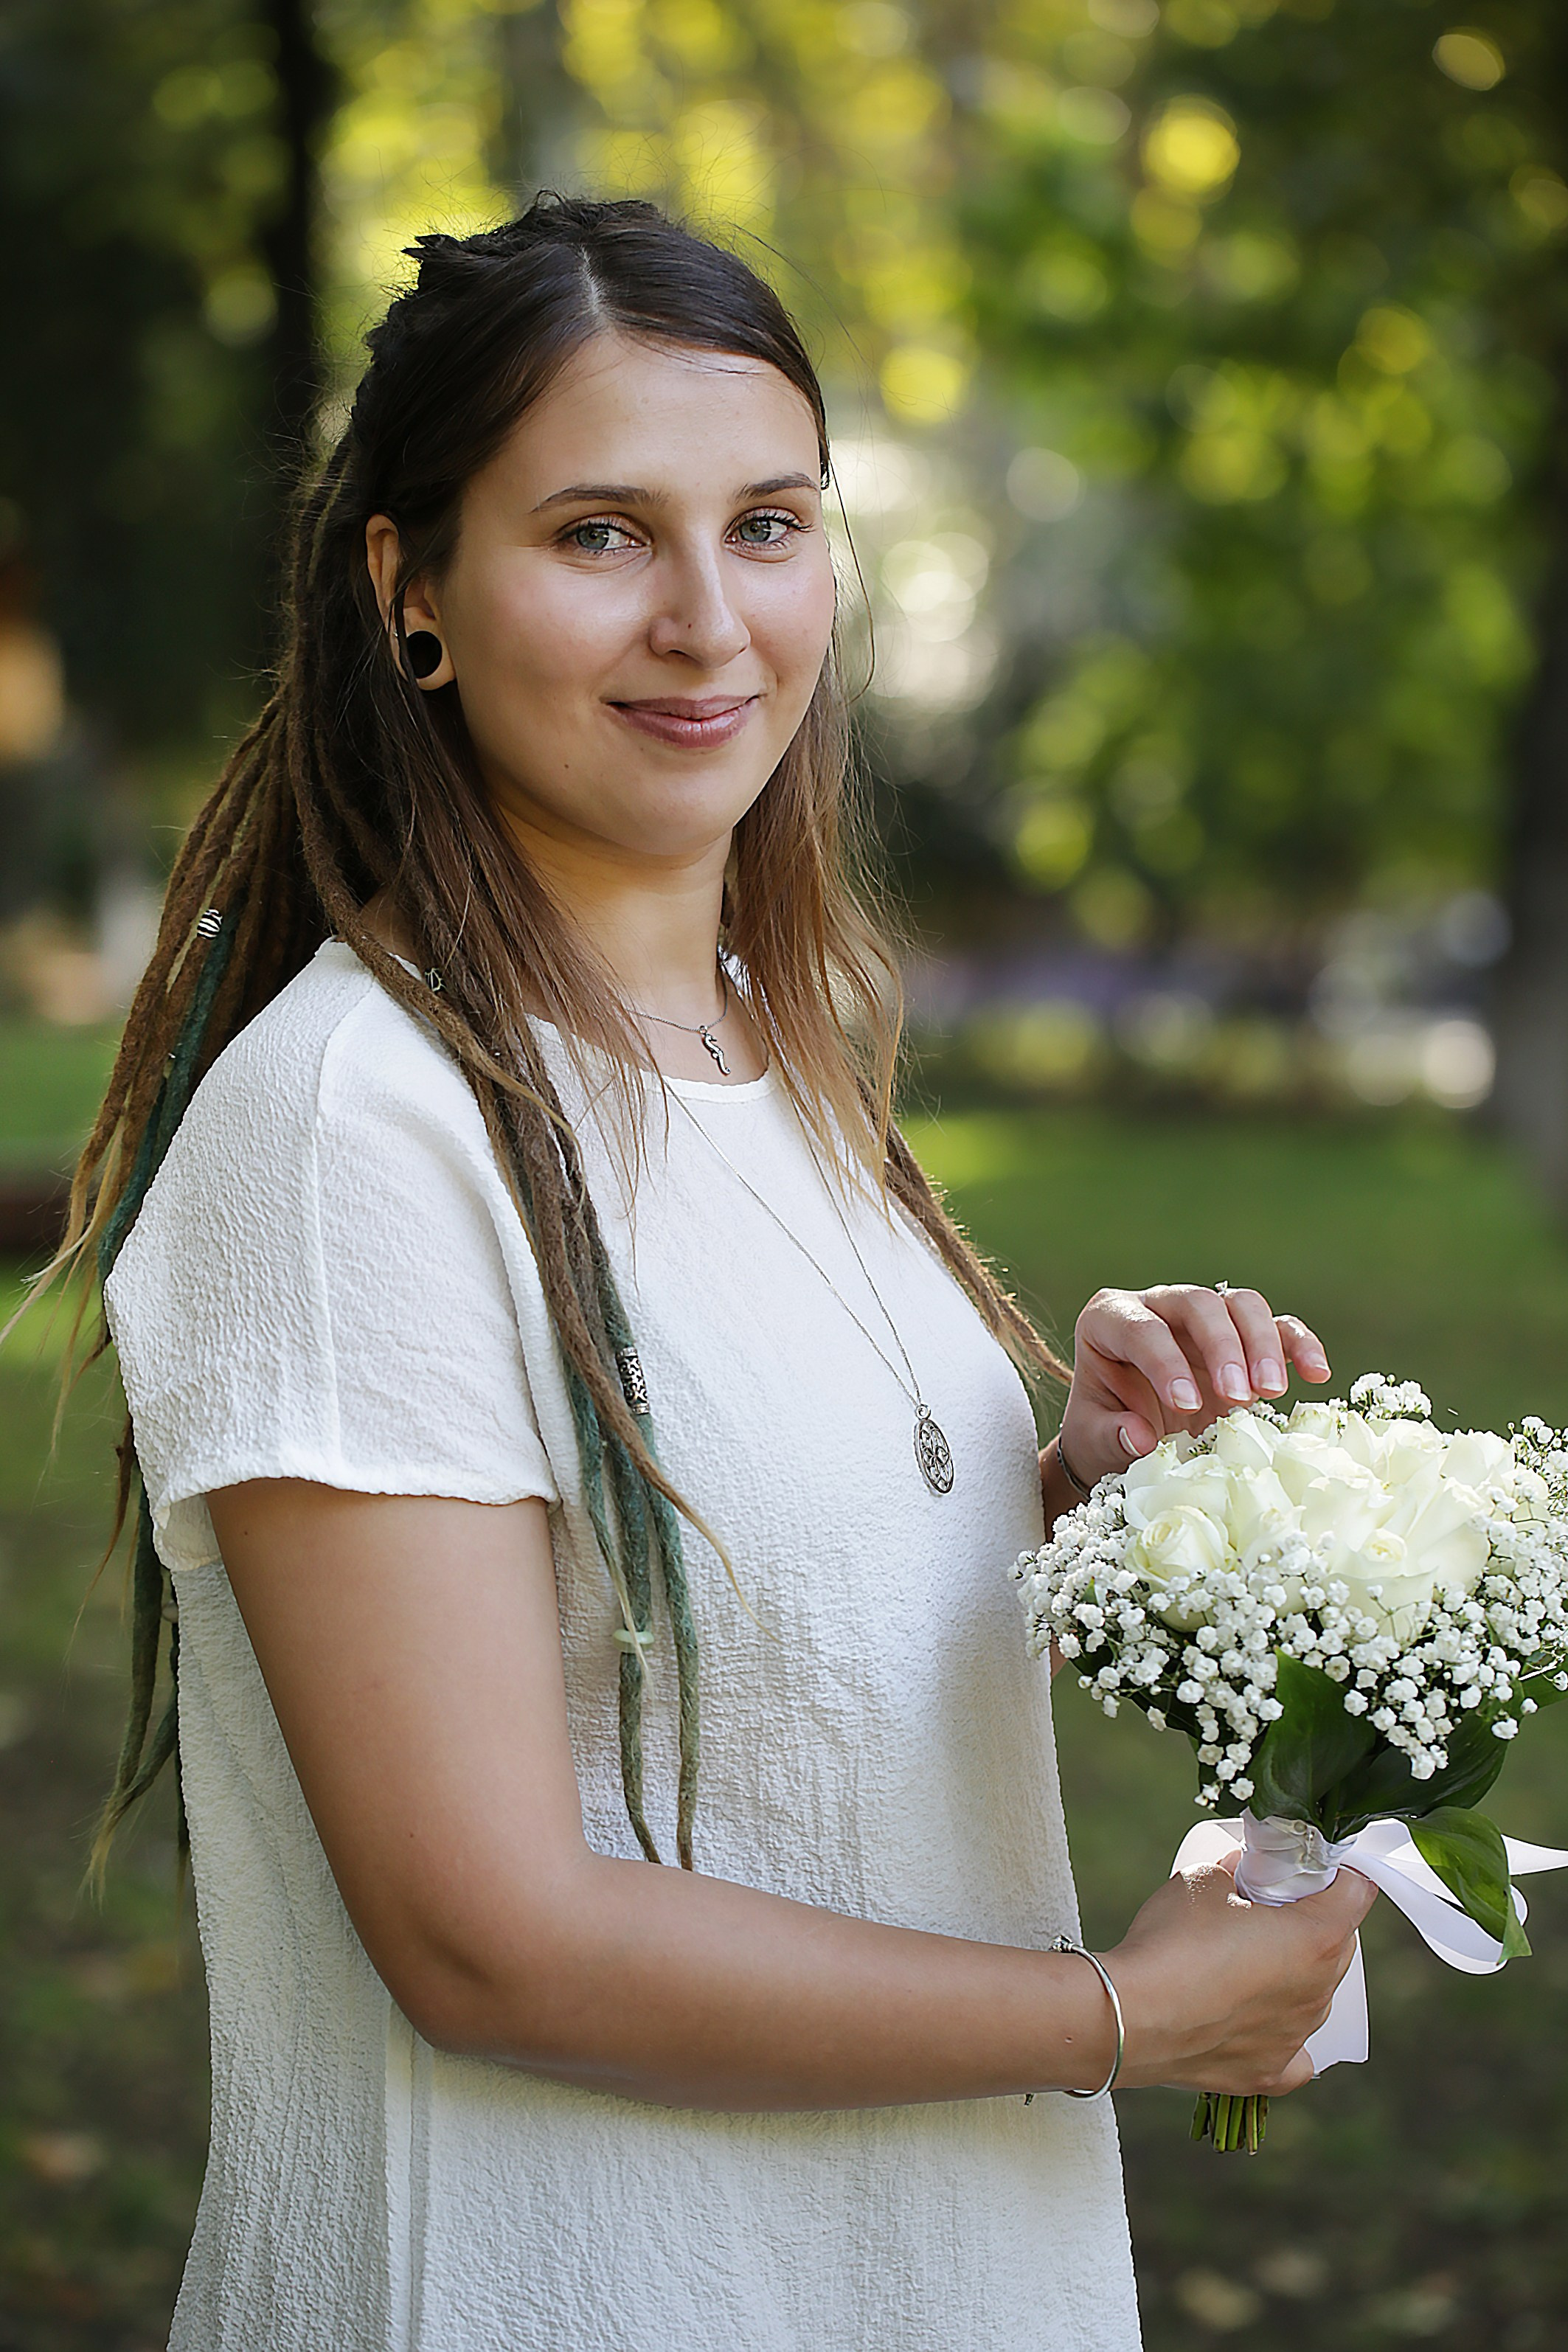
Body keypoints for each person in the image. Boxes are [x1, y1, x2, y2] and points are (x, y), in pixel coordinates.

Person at [64, 197, 1372, 2351]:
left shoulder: (777, 1040)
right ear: (413, 591)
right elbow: (489, 1935)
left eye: (768, 524)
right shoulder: (354, 1132)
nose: (708, 621)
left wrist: (1062, 1488)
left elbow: (742, 1633)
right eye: (599, 534)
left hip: (933, 2274)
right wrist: (1126, 2015)